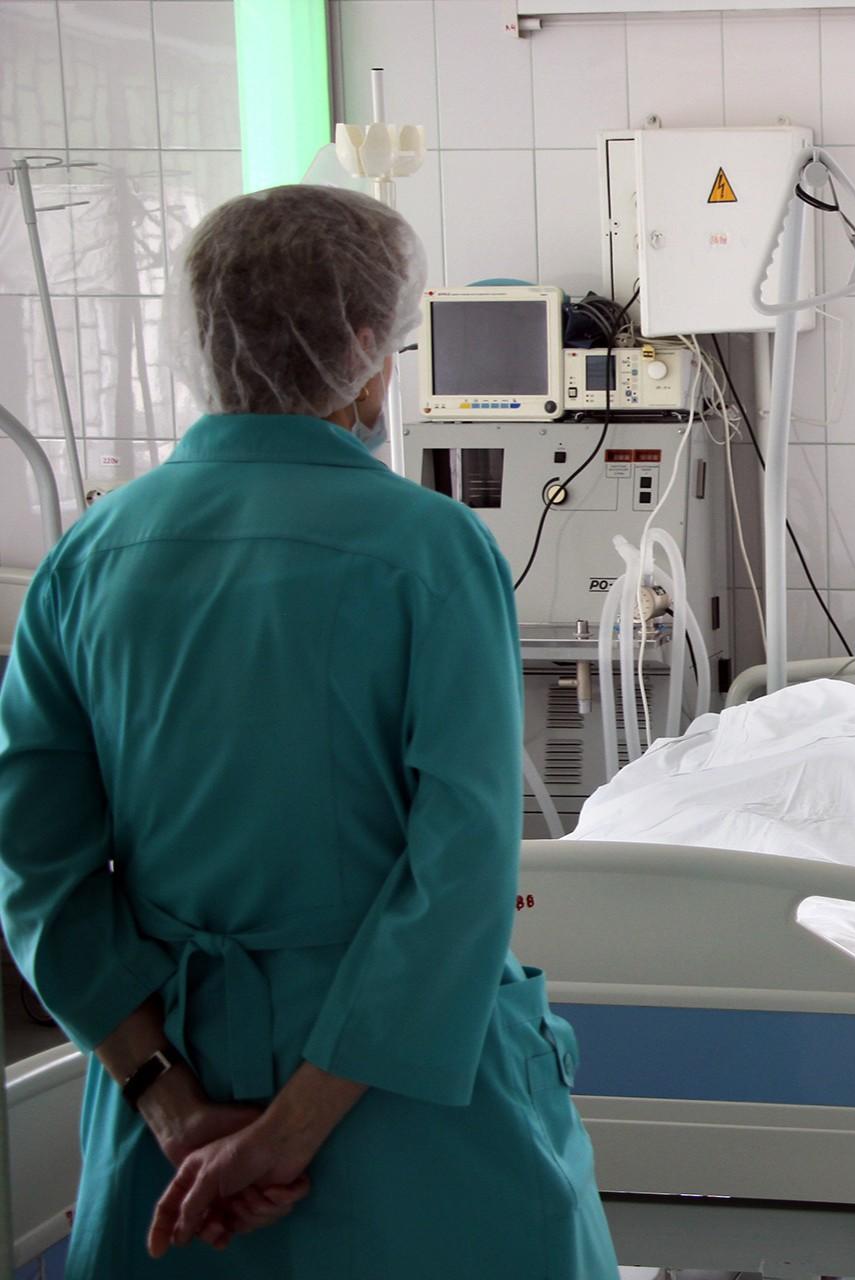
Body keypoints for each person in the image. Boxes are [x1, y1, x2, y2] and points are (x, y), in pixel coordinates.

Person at [0, 184, 618, 1276]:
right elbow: (460, 868)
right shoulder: (429, 552)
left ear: (207, 338)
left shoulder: (88, 561)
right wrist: (289, 1130)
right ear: (367, 349)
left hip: (173, 1115)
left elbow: (36, 869)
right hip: (401, 1103)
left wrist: (170, 1101)